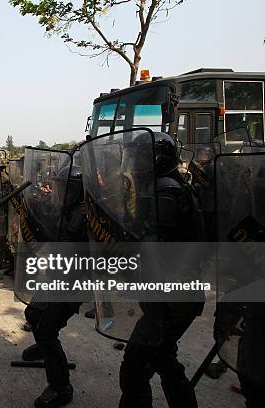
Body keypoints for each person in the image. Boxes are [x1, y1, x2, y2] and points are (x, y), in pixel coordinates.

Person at [118, 133, 205, 408]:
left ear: (155, 159)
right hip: (174, 294)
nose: (132, 163)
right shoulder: (168, 185)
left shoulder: (164, 192)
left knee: (135, 367)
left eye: (138, 157)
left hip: (172, 296)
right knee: (164, 360)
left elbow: (157, 248)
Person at [22, 164, 88, 408]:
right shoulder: (68, 208)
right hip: (58, 276)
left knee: (47, 329)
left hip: (75, 282)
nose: (58, 191)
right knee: (33, 313)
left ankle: (61, 388)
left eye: (63, 187)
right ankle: (43, 348)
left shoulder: (83, 215)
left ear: (76, 190)